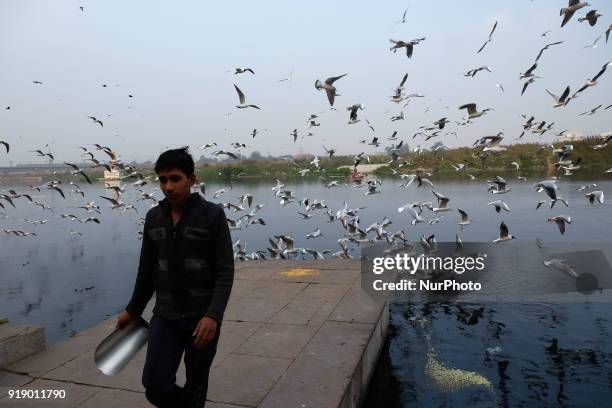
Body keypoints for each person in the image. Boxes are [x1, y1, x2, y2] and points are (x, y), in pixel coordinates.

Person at [116, 147, 234, 408]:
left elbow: (225, 271)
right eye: (162, 179)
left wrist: (213, 316)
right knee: (155, 385)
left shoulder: (212, 215)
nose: (168, 186)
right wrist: (133, 310)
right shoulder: (154, 218)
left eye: (175, 178)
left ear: (192, 180)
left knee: (196, 383)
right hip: (165, 316)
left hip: (200, 318)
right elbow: (146, 271)